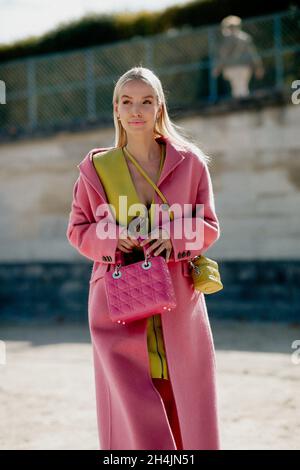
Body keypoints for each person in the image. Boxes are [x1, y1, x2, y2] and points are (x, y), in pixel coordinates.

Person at [66, 66, 221, 450]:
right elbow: (77, 230)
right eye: (127, 101)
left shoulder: (191, 164)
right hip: (116, 305)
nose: (136, 110)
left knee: (182, 396)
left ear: (159, 107)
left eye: (146, 101)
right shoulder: (95, 170)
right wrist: (115, 239)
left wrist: (173, 237)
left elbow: (209, 226)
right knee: (132, 406)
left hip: (179, 300)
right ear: (116, 109)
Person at [213, 15, 264, 98]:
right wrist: (258, 67)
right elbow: (253, 54)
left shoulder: (226, 39)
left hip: (231, 67)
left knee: (236, 88)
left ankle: (241, 105)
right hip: (245, 66)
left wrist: (218, 68)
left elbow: (223, 56)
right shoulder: (245, 38)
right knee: (243, 87)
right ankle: (244, 103)